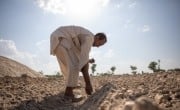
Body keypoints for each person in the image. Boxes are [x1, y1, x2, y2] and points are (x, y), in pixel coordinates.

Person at [50, 25, 107, 102]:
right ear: (97, 37)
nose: (98, 47)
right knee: (74, 67)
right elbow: (83, 63)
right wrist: (88, 84)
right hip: (62, 39)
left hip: (60, 39)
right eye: (100, 44)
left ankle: (72, 86)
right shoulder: (89, 38)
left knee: (73, 65)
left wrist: (88, 60)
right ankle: (68, 94)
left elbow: (81, 57)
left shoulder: (86, 37)